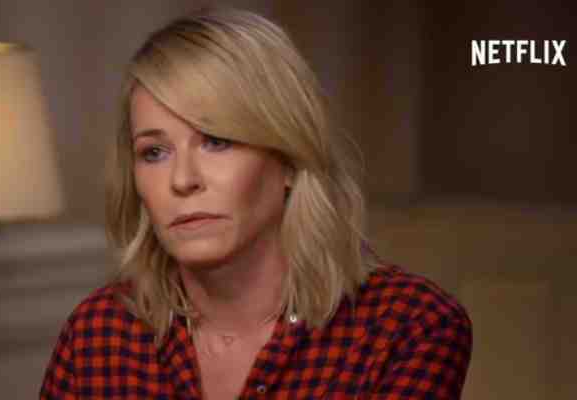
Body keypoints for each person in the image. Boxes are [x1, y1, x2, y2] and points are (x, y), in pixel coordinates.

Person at [40, 7, 472, 399]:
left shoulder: (409, 326)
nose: (183, 180)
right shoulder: (98, 333)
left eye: (217, 141)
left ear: (289, 160)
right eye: (154, 152)